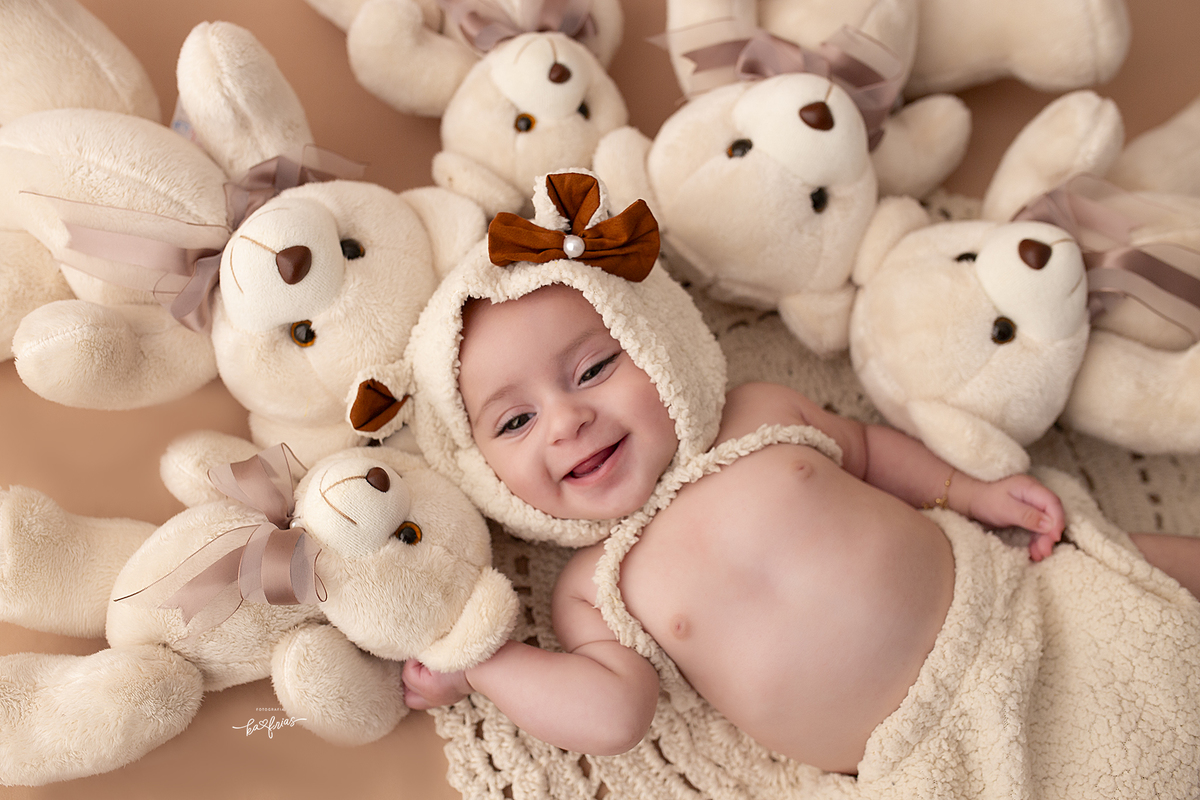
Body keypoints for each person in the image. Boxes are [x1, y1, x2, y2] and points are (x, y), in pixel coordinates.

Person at [400, 171, 1200, 795]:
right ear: (483, 477)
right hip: (920, 759)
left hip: (1011, 608)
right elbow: (612, 713)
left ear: (657, 343)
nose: (567, 420)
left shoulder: (757, 415)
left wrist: (969, 491)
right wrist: (482, 662)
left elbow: (869, 452)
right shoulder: (594, 585)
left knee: (1126, 580)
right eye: (514, 423)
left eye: (593, 368)